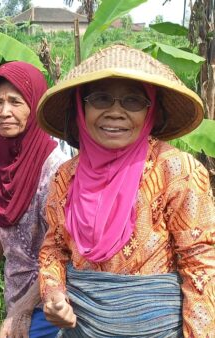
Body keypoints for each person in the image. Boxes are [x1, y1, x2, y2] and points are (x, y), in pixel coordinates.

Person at [36, 45, 215, 337]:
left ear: (151, 111)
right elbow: (54, 248)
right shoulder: (65, 177)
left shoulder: (176, 171)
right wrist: (53, 293)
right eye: (101, 99)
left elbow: (202, 268)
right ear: (82, 108)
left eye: (133, 101)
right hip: (82, 328)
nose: (115, 112)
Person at [0, 62, 68, 338]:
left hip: (54, 303)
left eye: (15, 102)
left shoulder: (56, 168)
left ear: (34, 106)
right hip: (14, 293)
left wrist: (24, 308)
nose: (4, 112)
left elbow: (66, 251)